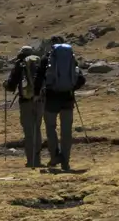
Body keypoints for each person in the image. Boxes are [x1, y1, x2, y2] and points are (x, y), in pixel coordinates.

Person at [34, 36, 86, 171]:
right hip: (67, 99)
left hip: (51, 99)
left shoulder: (46, 59)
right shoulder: (71, 59)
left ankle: (55, 155)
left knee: (51, 128)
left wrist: (36, 94)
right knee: (66, 132)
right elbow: (81, 79)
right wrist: (71, 88)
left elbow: (38, 79)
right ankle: (65, 163)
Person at [4, 46, 43, 168]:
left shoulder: (19, 65)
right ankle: (37, 160)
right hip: (40, 100)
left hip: (25, 101)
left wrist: (5, 85)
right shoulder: (39, 63)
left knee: (28, 131)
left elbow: (11, 86)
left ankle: (31, 161)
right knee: (37, 129)